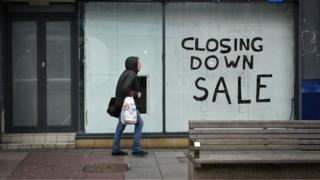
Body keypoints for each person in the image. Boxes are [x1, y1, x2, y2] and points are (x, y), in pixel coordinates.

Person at [111, 56, 148, 156]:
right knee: (139, 123)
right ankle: (136, 149)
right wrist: (137, 94)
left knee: (120, 126)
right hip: (127, 106)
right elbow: (125, 87)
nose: (141, 65)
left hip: (122, 105)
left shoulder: (126, 72)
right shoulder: (132, 74)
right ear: (133, 64)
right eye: (138, 63)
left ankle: (115, 149)